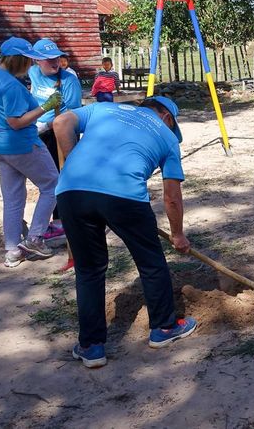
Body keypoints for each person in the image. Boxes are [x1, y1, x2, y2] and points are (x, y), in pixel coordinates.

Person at [53, 96, 197, 368]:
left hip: (71, 192)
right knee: (151, 262)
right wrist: (177, 234)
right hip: (125, 197)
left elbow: (60, 122)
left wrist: (74, 163)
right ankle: (164, 328)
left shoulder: (103, 108)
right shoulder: (167, 137)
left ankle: (91, 347)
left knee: (89, 269)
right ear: (166, 116)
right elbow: (172, 197)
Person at [0, 37, 62, 267]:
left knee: (13, 197)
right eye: (27, 60)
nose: (29, 64)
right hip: (19, 144)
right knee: (53, 185)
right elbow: (16, 122)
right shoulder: (10, 84)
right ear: (17, 59)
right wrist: (46, 106)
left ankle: (13, 250)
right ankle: (36, 237)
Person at [29, 38, 82, 241]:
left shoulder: (69, 80)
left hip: (61, 131)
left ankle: (61, 221)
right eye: (49, 59)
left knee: (63, 174)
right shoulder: (32, 74)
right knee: (48, 177)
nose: (55, 62)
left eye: (57, 58)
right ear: (36, 61)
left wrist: (48, 125)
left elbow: (74, 112)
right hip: (36, 130)